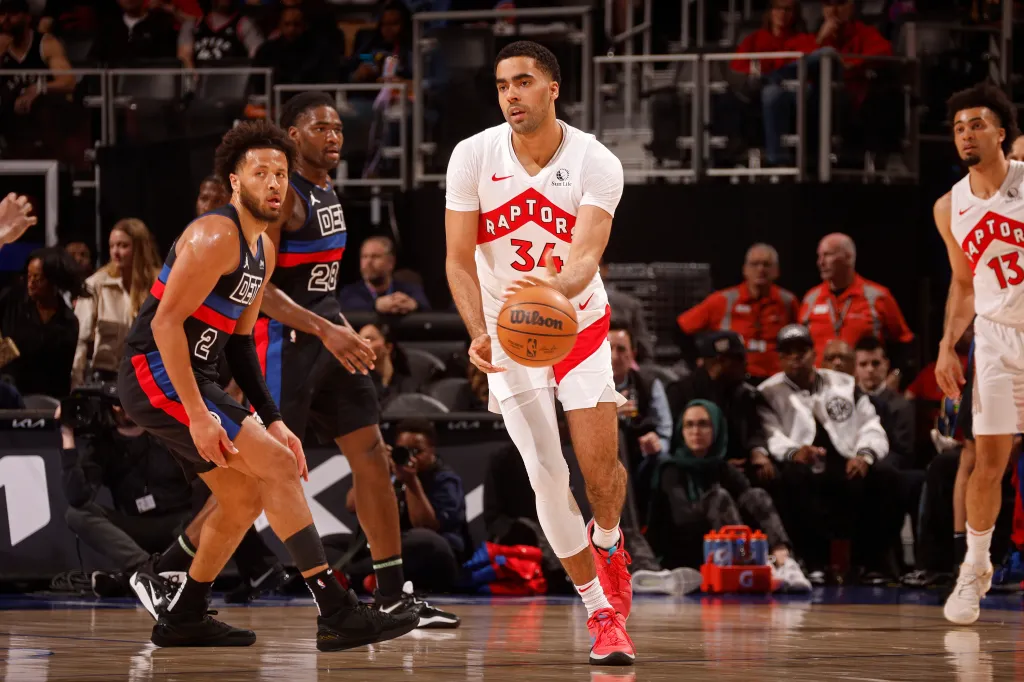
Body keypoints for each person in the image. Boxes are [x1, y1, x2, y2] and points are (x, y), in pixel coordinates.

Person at [117, 120, 418, 649]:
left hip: (196, 373)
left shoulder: (263, 251)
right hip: (154, 370)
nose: (274, 182)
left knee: (244, 499)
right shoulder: (215, 235)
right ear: (234, 181)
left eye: (280, 172)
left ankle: (184, 613)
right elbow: (165, 325)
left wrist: (274, 419)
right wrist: (198, 414)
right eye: (260, 173)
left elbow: (238, 344)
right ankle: (336, 608)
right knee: (277, 469)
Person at [445, 40, 635, 665]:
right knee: (547, 473)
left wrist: (551, 289)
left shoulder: (596, 160)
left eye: (523, 82)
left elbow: (583, 259)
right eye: (502, 85)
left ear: (553, 88)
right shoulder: (472, 156)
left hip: (576, 323)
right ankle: (599, 614)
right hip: (510, 335)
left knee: (600, 474)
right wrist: (478, 329)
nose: (511, 96)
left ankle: (608, 541)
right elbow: (457, 259)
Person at [250, 92, 453, 627]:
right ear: (293, 134)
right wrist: (326, 329)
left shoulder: (327, 188)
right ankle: (175, 572)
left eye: (339, 128)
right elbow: (258, 288)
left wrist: (341, 329)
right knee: (258, 478)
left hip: (328, 339)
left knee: (371, 453)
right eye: (321, 128)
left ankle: (391, 592)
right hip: (282, 345)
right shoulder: (283, 196)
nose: (334, 137)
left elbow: (319, 287)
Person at [933, 82, 1024, 625]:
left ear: (1002, 133)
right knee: (988, 463)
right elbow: (963, 284)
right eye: (959, 126)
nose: (966, 133)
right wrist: (948, 345)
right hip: (993, 339)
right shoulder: (949, 206)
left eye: (977, 125)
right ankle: (976, 567)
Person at [758, 324, 902, 583]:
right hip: (801, 461)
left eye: (801, 350)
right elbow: (771, 434)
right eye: (788, 352)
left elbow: (870, 424)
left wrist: (864, 456)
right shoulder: (768, 391)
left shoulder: (844, 383)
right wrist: (794, 452)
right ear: (779, 358)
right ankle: (813, 564)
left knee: (886, 476)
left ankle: (871, 565)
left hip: (845, 458)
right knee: (793, 478)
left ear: (814, 353)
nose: (795, 357)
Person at [648, 400, 810, 591]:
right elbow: (683, 518)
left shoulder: (723, 468)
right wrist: (714, 507)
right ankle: (746, 563)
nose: (695, 431)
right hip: (686, 550)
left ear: (716, 428)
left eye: (703, 424)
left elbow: (752, 504)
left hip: (725, 547)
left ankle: (785, 562)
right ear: (681, 431)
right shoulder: (671, 470)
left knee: (756, 495)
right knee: (718, 498)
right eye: (689, 425)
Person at [341, 419, 469, 606]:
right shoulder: (391, 473)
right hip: (397, 548)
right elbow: (352, 506)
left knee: (421, 539)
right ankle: (360, 576)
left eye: (417, 451)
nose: (410, 457)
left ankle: (349, 575)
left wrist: (411, 481)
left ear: (432, 450)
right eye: (403, 450)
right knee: (331, 544)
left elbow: (425, 525)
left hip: (437, 555)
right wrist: (372, 468)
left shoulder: (445, 480)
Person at [676, 243, 799, 383]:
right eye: (754, 264)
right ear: (745, 270)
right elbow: (680, 327)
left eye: (766, 264)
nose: (760, 269)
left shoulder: (788, 302)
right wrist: (696, 362)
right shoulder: (722, 300)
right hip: (732, 381)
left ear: (776, 271)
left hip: (776, 380)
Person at [800, 232, 914, 377]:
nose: (820, 262)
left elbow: (904, 341)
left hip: (863, 386)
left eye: (827, 255)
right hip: (820, 385)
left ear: (848, 257)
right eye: (819, 256)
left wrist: (896, 374)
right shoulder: (811, 298)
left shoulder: (877, 296)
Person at [73, 219, 161, 387]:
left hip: (147, 380)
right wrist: (76, 386)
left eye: (123, 245)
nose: (116, 252)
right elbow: (81, 340)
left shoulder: (159, 284)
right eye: (112, 246)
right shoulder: (96, 285)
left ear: (139, 247)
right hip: (106, 379)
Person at [0, 247, 85, 398]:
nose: (31, 283)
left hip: (48, 400)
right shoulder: (11, 301)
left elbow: (60, 374)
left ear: (54, 282)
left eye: (38, 279)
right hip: (7, 396)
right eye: (29, 276)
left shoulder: (68, 323)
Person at [337, 235, 432, 314]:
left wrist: (414, 305)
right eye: (364, 257)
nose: (369, 262)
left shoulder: (409, 290)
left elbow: (427, 310)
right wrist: (376, 305)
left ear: (391, 262)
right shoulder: (349, 293)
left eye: (375, 256)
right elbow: (346, 309)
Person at [177, 0, 262, 70]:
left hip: (232, 84)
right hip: (199, 84)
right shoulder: (192, 26)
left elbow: (257, 58)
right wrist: (194, 78)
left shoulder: (244, 25)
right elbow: (184, 58)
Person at [360, 322, 421, 409]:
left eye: (369, 339)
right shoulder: (358, 383)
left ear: (388, 347)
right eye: (359, 340)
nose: (362, 345)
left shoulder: (409, 385)